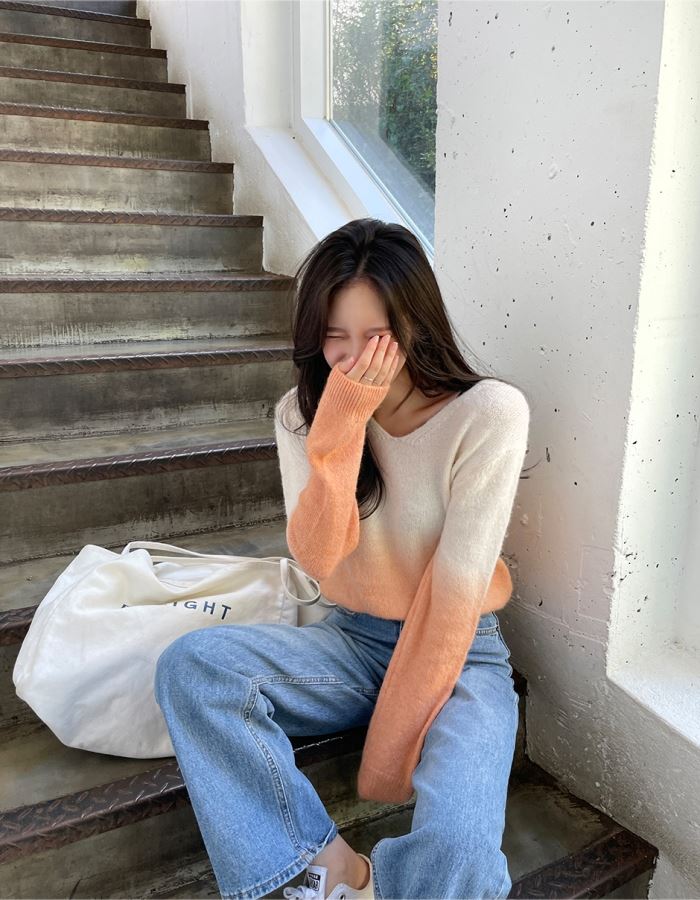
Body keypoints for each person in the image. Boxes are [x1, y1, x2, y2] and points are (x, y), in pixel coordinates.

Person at [154, 217, 531, 900]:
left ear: (416, 323)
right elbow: (318, 557)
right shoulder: (300, 418)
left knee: (459, 849)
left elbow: (453, 598)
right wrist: (340, 433)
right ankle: (329, 874)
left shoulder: (488, 414)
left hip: (460, 652)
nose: (355, 359)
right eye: (335, 336)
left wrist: (388, 753)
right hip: (354, 642)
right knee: (194, 667)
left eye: (377, 336)